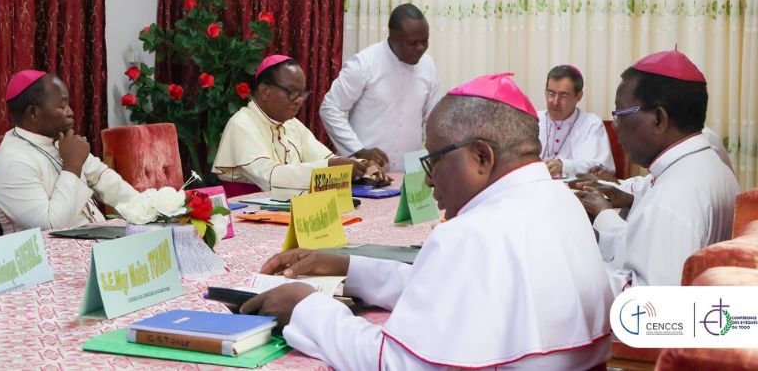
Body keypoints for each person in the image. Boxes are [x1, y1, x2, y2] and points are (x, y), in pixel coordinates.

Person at [241, 73, 612, 370]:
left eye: (433, 160)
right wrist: (347, 266)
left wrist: (305, 306)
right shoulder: (561, 201)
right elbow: (456, 289)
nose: (430, 179)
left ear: (481, 157)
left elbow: (394, 362)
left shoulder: (470, 234)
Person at [580, 50, 739, 293]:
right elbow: (652, 251)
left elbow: (651, 310)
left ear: (658, 119)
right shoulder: (710, 165)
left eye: (620, 113)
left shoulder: (671, 199)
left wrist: (574, 263)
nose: (615, 124)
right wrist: (597, 240)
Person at [213, 55, 387, 200]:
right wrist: (332, 166)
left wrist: (364, 167)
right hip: (249, 216)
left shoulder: (291, 124)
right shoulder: (242, 124)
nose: (299, 100)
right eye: (291, 92)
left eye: (302, 93)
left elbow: (326, 159)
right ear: (265, 91)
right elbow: (269, 177)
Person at [0, 70, 138, 234]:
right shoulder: (12, 162)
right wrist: (72, 167)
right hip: (48, 255)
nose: (70, 112)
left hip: (92, 242)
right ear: (33, 113)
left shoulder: (59, 142)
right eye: (62, 106)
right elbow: (51, 227)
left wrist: (147, 210)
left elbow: (103, 178)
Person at [319, 4, 439, 171]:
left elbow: (431, 118)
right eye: (412, 43)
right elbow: (330, 108)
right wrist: (358, 151)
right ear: (393, 35)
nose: (420, 48)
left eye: (424, 41)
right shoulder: (364, 64)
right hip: (363, 171)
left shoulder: (429, 66)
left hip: (409, 175)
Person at [538, 65, 614, 178]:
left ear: (579, 96)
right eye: (551, 93)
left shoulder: (591, 124)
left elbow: (602, 167)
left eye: (563, 95)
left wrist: (564, 166)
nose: (555, 102)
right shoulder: (533, 119)